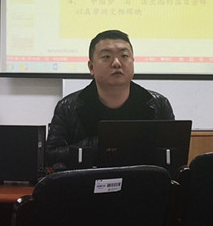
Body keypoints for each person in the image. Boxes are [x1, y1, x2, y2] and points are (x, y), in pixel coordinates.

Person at [45, 29, 175, 168]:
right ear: (91, 67)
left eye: (124, 56)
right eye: (107, 57)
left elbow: (174, 154)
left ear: (133, 62)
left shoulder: (158, 104)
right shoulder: (67, 107)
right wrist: (103, 143)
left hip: (142, 179)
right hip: (87, 180)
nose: (117, 63)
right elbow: (51, 155)